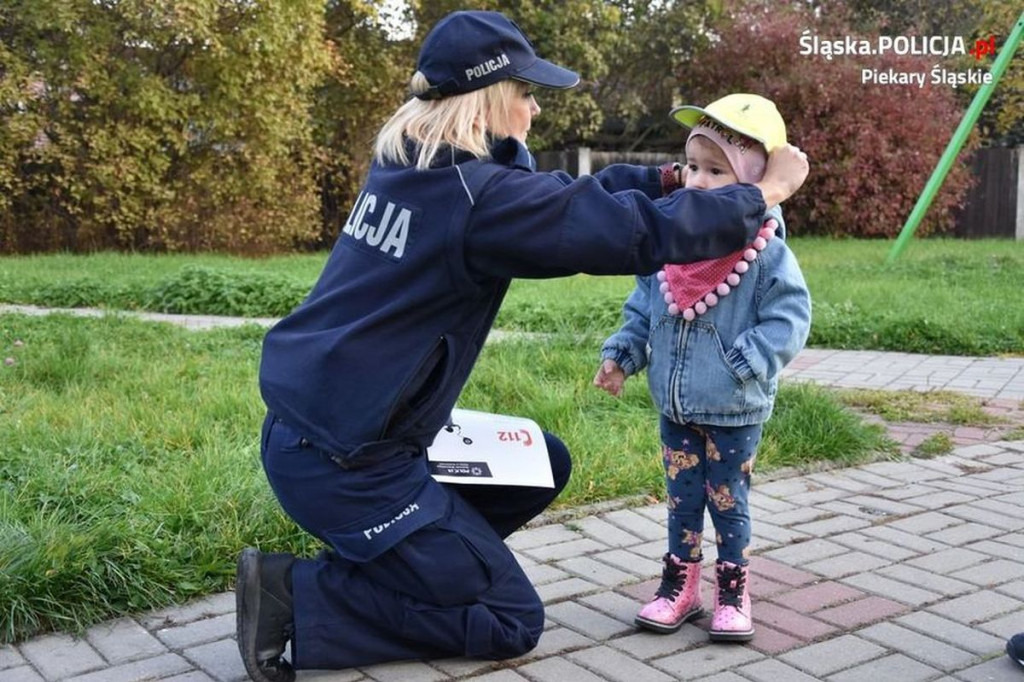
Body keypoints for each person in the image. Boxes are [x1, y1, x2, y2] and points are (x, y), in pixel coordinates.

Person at [237, 10, 809, 681]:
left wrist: (669, 180)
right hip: (351, 465)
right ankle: (298, 598)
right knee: (510, 620)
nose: (535, 109)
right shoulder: (474, 200)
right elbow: (623, 233)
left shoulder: (412, 168)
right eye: (527, 94)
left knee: (543, 462)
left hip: (323, 435)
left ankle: (408, 561)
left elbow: (568, 199)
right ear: (490, 101)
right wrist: (761, 194)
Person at [593, 94, 812, 642]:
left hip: (733, 407)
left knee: (728, 503)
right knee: (681, 500)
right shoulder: (671, 244)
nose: (697, 180)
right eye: (693, 166)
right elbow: (643, 308)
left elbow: (790, 316)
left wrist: (749, 360)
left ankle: (733, 591)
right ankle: (680, 587)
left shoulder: (763, 251)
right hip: (675, 405)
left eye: (717, 171)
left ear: (754, 180)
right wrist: (621, 355)